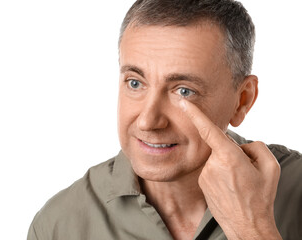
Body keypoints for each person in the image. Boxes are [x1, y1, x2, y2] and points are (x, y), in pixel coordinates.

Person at [27, 0, 302, 239]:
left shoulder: (297, 191)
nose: (148, 121)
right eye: (135, 83)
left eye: (184, 91)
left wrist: (252, 230)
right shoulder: (59, 226)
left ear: (242, 100)